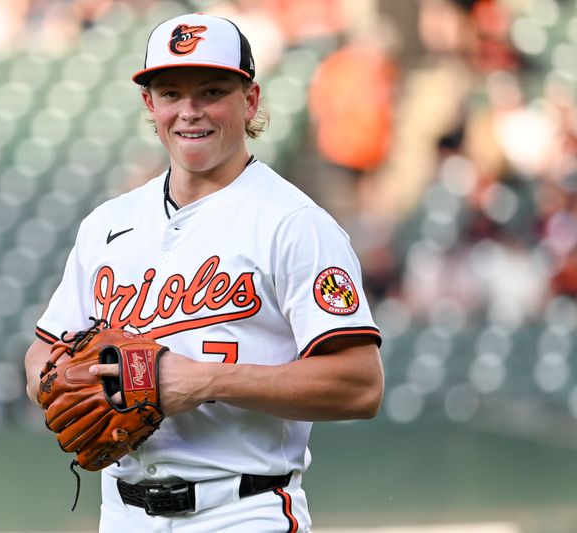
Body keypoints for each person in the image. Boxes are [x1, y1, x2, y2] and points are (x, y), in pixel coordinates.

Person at [25, 13, 384, 532]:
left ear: (251, 100)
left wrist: (206, 381)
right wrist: (61, 382)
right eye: (171, 93)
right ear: (150, 104)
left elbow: (360, 386)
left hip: (243, 509)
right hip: (122, 514)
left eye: (211, 91)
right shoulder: (107, 224)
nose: (189, 113)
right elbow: (40, 353)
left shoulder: (294, 223)